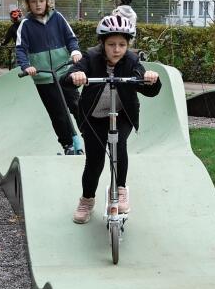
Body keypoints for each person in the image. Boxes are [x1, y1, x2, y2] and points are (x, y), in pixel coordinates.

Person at [63, 15, 161, 224]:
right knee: (95, 161)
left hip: (122, 115)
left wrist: (151, 80)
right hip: (94, 117)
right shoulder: (90, 57)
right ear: (102, 43)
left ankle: (120, 189)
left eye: (122, 45)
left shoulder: (132, 60)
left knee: (119, 146)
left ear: (128, 45)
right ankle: (87, 200)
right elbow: (69, 77)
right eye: (111, 44)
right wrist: (76, 76)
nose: (117, 49)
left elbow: (146, 88)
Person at [16, 0, 83, 155]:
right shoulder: (26, 24)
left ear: (48, 1)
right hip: (44, 77)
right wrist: (26, 66)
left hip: (64, 71)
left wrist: (75, 51)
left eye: (41, 0)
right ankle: (68, 145)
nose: (37, 5)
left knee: (77, 105)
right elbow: (21, 48)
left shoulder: (58, 18)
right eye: (33, 1)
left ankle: (90, 135)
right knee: (58, 113)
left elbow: (71, 38)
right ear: (28, 4)